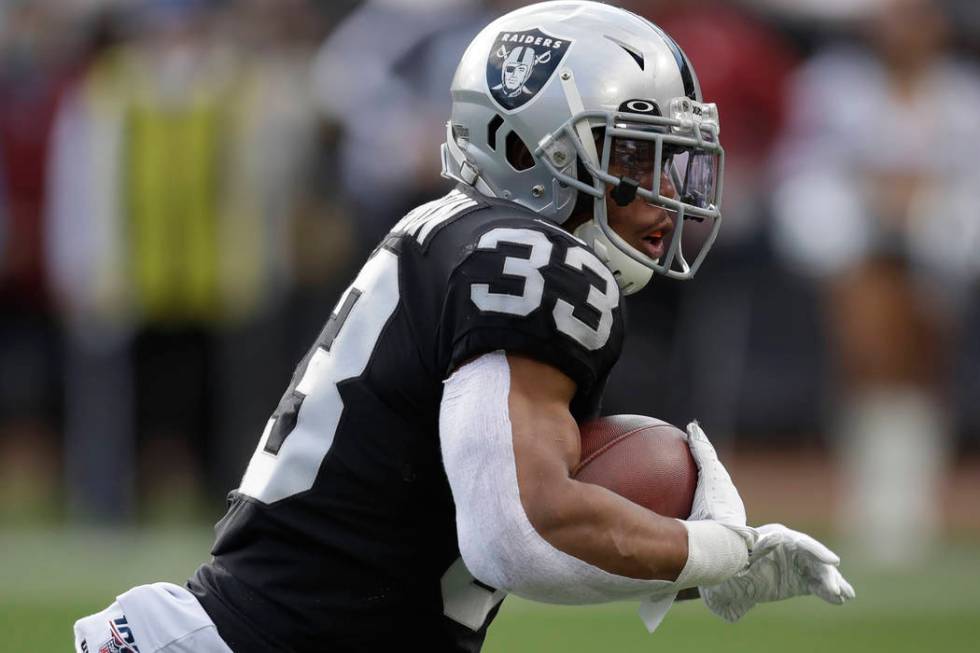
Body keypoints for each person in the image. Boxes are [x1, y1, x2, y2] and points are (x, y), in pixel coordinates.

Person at [74, 3, 854, 652]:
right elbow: (513, 533)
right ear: (534, 149)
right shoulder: (528, 258)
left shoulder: (456, 232)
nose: (664, 197)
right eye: (637, 159)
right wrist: (718, 551)